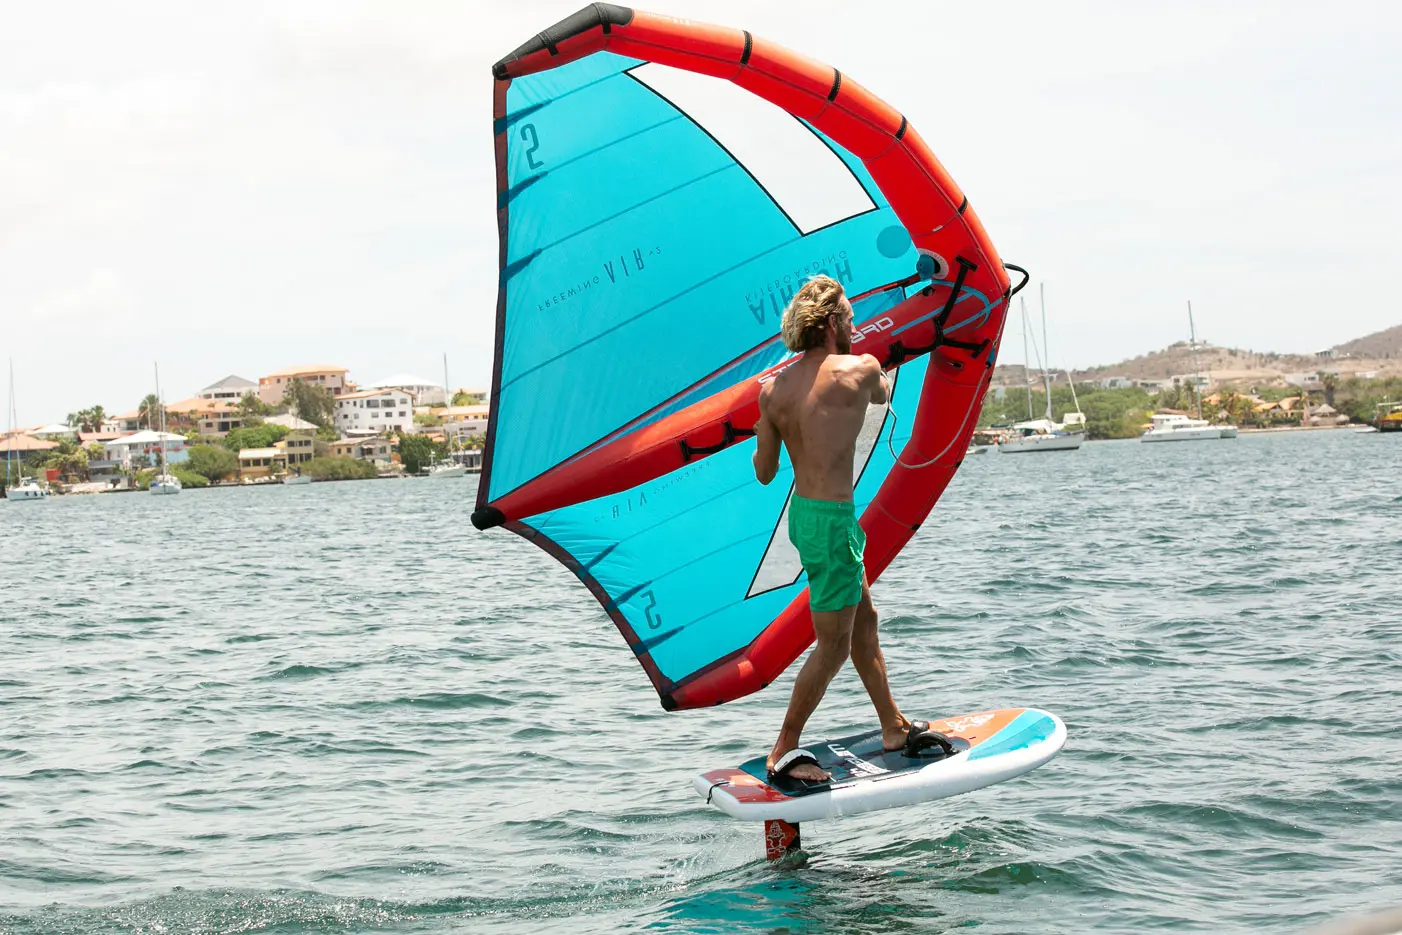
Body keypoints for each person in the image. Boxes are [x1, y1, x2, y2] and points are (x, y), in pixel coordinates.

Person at [752, 274, 939, 783]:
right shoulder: (861, 369)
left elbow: (766, 472)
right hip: (833, 525)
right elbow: (881, 394)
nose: (855, 325)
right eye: (851, 318)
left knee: (865, 621)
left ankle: (892, 725)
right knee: (832, 644)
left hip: (807, 518)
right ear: (833, 322)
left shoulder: (772, 392)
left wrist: (764, 429)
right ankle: (783, 749)